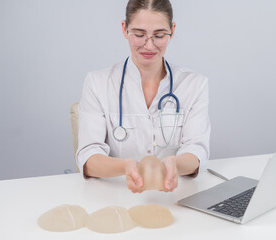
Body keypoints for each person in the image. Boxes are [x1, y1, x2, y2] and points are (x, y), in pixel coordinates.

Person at [76, 0, 210, 193]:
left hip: (175, 196)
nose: (149, 45)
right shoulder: (97, 83)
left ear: (172, 30)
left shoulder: (194, 84)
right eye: (139, 34)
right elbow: (88, 157)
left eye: (159, 35)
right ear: (125, 29)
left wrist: (175, 163)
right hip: (116, 196)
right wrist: (125, 167)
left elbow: (197, 150)